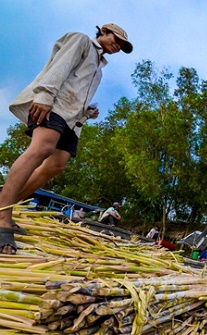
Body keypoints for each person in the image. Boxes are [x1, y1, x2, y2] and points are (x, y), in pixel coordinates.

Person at [0, 23, 133, 254]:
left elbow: (77, 90)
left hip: (72, 119)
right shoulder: (81, 41)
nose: (118, 47)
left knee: (56, 164)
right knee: (41, 149)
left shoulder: (99, 69)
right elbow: (60, 66)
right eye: (116, 40)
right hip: (54, 105)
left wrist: (87, 111)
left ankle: (6, 206)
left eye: (122, 46)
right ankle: (3, 218)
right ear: (103, 32)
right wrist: (44, 95)